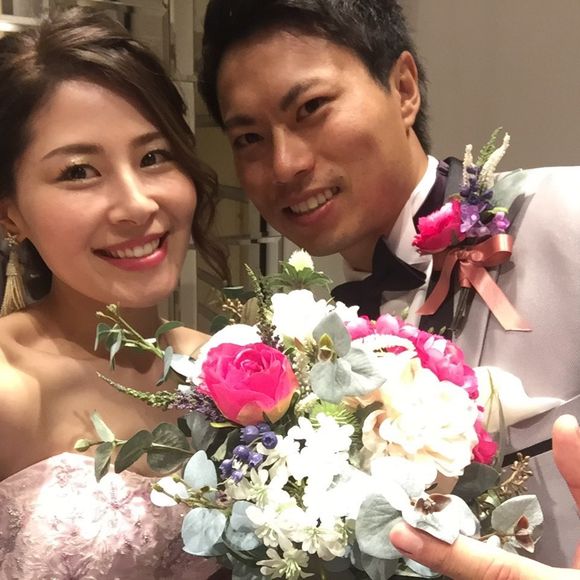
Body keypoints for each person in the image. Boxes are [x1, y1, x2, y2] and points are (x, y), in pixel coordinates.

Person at [198, 0, 580, 574]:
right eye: (249, 137)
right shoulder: (321, 348)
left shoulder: (567, 214)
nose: (284, 164)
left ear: (403, 88)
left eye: (311, 108)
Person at [0, 8, 228, 579]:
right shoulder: (9, 389)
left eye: (153, 157)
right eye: (79, 171)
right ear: (10, 214)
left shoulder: (223, 370)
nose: (137, 204)